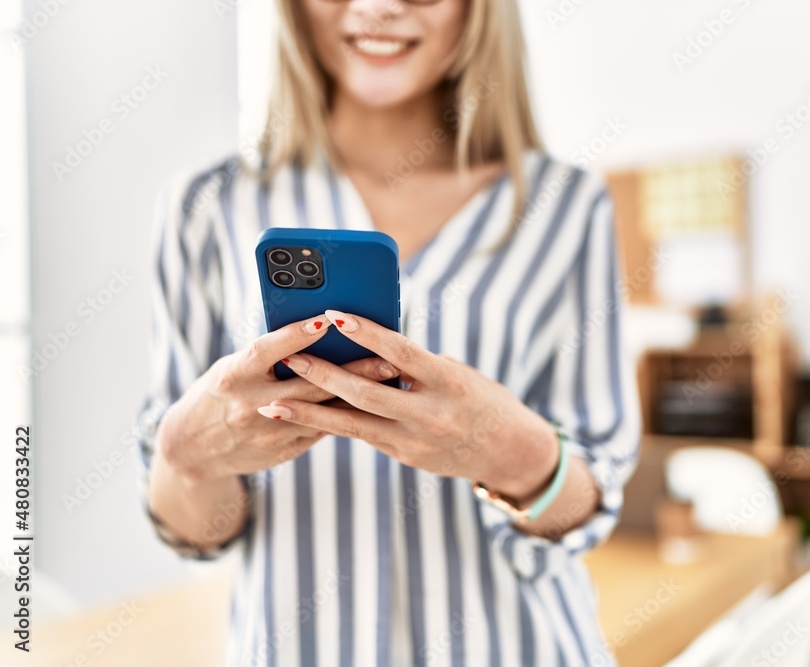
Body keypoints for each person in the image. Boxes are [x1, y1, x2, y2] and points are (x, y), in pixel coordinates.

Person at [134, 0, 640, 664]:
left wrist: (511, 450)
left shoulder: (566, 208)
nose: (376, 7)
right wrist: (185, 456)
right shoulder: (206, 208)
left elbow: (586, 509)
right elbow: (201, 531)